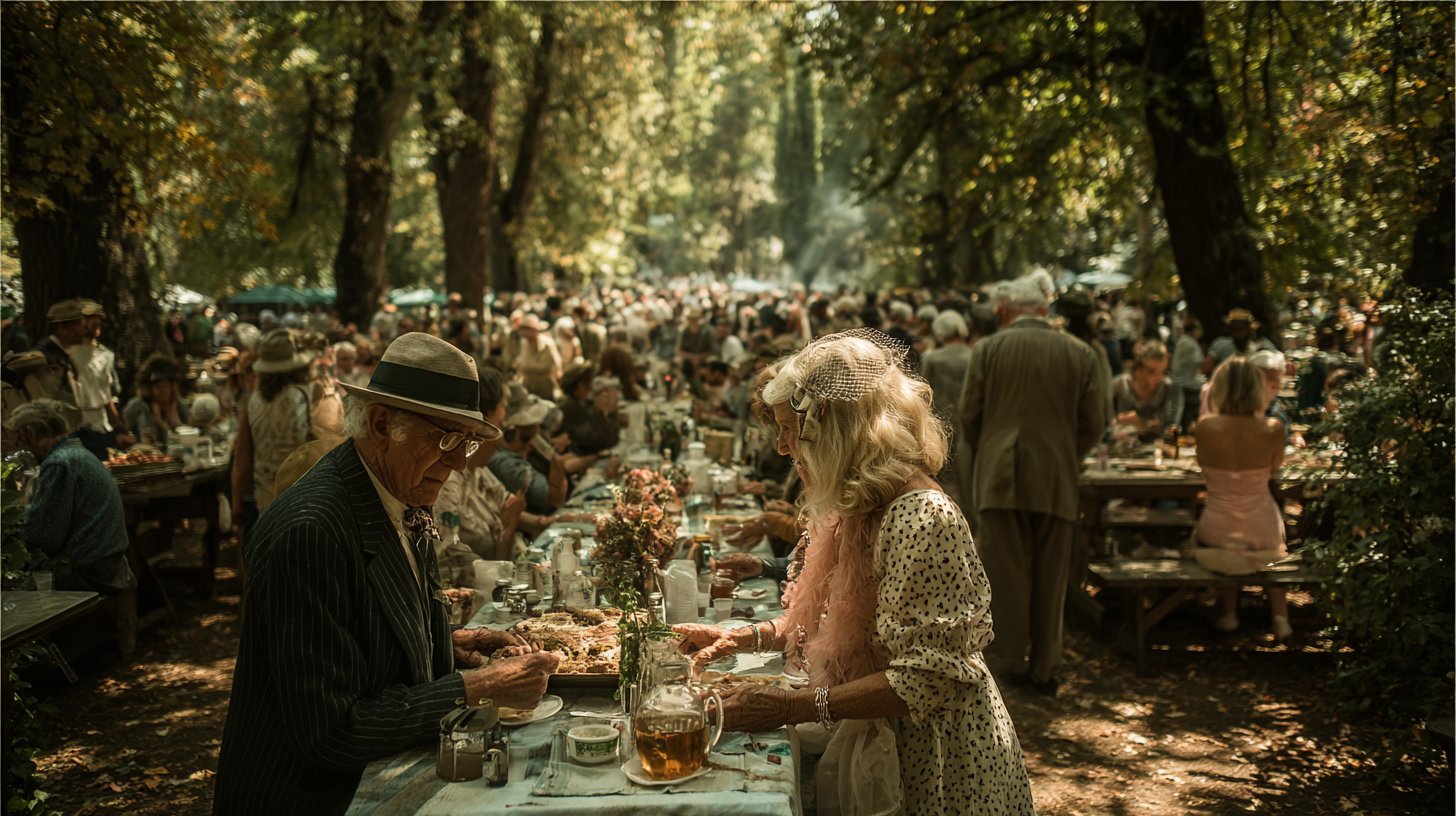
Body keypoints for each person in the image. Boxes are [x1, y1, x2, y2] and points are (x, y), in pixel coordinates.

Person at [674, 329, 1035, 814]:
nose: (783, 447)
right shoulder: (857, 502)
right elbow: (835, 624)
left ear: (836, 427)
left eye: (789, 429)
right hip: (887, 742)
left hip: (935, 759)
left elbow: (927, 677)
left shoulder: (920, 516)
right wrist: (744, 637)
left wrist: (792, 707)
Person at [215, 332, 559, 815]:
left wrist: (446, 641)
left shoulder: (398, 491)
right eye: (445, 439)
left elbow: (365, 635)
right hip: (313, 798)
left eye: (467, 442)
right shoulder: (311, 532)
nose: (459, 463)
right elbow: (332, 730)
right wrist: (480, 686)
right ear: (380, 424)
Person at [959, 271, 1107, 695]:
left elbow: (970, 415)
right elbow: (1093, 423)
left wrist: (988, 448)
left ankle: (1006, 663)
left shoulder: (988, 348)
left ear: (1007, 311)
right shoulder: (1080, 352)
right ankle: (1045, 665)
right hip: (1057, 474)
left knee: (1003, 573)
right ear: (1045, 309)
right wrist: (1064, 452)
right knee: (1052, 573)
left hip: (1000, 472)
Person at [1192, 357, 1292, 640]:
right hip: (1263, 523)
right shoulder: (1273, 428)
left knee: (1229, 539)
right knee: (1270, 548)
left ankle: (1229, 615)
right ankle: (1281, 619)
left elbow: (1202, 465)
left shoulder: (1205, 427)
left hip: (1217, 524)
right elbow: (1275, 469)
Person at [8, 399, 135, 595]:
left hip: (90, 573)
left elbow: (43, 536)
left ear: (29, 433)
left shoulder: (59, 463)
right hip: (108, 566)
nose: (20, 445)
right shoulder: (78, 454)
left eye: (19, 438)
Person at [231, 329, 315, 541]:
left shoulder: (253, 401)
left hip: (266, 502)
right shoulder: (309, 395)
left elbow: (243, 459)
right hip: (306, 500)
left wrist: (236, 502)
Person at [435, 368, 527, 561]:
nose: (506, 418)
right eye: (504, 406)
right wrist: (508, 530)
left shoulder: (479, 469)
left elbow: (510, 506)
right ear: (488, 414)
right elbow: (449, 556)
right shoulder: (449, 480)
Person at [918, 309, 975, 510]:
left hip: (942, 422)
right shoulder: (973, 355)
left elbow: (924, 393)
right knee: (970, 473)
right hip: (970, 421)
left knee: (946, 474)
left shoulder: (933, 359)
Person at [488, 382, 568, 517]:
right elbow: (556, 498)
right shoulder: (506, 463)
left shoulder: (519, 453)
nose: (537, 426)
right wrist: (553, 456)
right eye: (532, 424)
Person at [1110, 340, 1183, 442]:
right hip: (1120, 448)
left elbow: (1170, 429)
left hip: (1157, 451)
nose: (1159, 378)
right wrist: (1117, 420)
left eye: (1162, 372)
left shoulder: (1169, 388)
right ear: (1138, 368)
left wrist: (1143, 425)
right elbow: (1102, 422)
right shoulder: (1119, 385)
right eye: (1152, 372)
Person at [123, 355, 190, 447]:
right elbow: (123, 432)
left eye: (166, 386)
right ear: (149, 388)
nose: (163, 391)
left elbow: (189, 438)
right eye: (158, 387)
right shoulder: (138, 405)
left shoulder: (178, 404)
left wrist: (174, 423)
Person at [1201, 307, 1276, 375]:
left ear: (1249, 329)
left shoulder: (1263, 344)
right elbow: (1205, 368)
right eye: (1235, 328)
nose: (1238, 332)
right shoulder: (1220, 344)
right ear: (1230, 329)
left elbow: (1277, 363)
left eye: (1241, 328)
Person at [512, 313, 561, 401]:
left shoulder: (547, 344)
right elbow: (521, 361)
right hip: (528, 384)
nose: (523, 332)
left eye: (526, 329)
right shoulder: (524, 343)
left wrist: (526, 366)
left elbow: (551, 365)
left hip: (544, 385)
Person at [1170, 315, 1205, 431]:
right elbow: (1199, 362)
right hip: (1185, 382)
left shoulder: (1184, 340)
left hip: (1184, 379)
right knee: (1179, 414)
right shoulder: (1189, 343)